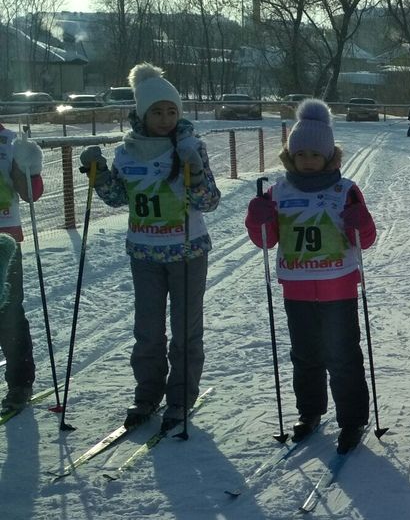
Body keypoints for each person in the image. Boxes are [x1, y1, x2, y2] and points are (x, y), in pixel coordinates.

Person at [79, 63, 221, 433]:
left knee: (185, 329)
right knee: (148, 329)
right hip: (144, 252)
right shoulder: (127, 152)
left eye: (171, 111)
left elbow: (208, 202)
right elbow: (116, 198)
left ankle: (181, 396)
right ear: (142, 113)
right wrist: (98, 172)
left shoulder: (191, 147)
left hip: (187, 251)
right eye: (157, 111)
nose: (165, 118)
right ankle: (148, 393)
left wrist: (195, 169)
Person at [245, 98, 375, 454]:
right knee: (305, 356)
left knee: (343, 355)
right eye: (300, 154)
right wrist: (257, 218)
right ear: (291, 155)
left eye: (315, 154)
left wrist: (359, 220)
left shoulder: (345, 190)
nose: (307, 160)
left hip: (339, 285)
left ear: (329, 156)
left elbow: (367, 238)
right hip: (298, 288)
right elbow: (266, 240)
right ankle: (310, 412)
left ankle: (352, 418)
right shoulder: (280, 191)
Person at [0, 118, 45, 414]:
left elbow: (32, 193)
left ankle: (19, 383)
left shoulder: (10, 141)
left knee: (9, 311)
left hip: (5, 237)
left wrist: (26, 168)